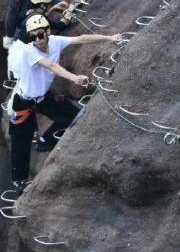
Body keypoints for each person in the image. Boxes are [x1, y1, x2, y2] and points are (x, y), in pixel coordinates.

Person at [7, 14, 123, 194]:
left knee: (75, 115)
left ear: (48, 31)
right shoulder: (29, 51)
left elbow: (81, 39)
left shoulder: (55, 41)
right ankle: (19, 182)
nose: (38, 40)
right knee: (20, 141)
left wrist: (109, 37)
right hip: (24, 101)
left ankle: (45, 141)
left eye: (40, 34)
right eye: (33, 36)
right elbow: (51, 66)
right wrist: (74, 78)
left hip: (43, 97)